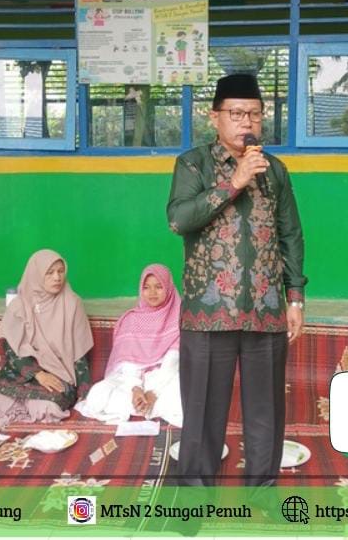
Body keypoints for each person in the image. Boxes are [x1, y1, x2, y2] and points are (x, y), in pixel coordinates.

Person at [166, 72, 306, 487]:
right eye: (237, 113)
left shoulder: (275, 170)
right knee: (203, 413)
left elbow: (291, 235)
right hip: (209, 313)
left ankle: (261, 493)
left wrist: (295, 297)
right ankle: (195, 495)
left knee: (266, 413)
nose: (248, 122)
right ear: (215, 117)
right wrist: (235, 182)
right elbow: (179, 219)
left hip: (266, 310)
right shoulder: (193, 164)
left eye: (255, 114)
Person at [0, 250, 94, 426]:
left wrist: (84, 393)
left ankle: (22, 410)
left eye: (61, 271)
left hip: (58, 372)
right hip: (21, 372)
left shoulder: (72, 303)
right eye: (49, 272)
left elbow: (79, 354)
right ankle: (22, 408)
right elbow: (12, 350)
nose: (57, 277)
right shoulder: (19, 305)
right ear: (36, 274)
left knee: (47, 408)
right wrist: (38, 374)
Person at [75, 264, 183, 427]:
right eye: (146, 287)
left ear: (168, 288)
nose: (152, 292)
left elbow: (172, 363)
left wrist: (153, 393)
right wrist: (136, 389)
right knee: (97, 394)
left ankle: (143, 406)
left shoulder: (178, 318)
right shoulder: (132, 320)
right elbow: (127, 363)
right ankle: (142, 405)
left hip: (165, 379)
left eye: (158, 287)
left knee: (184, 394)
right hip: (130, 381)